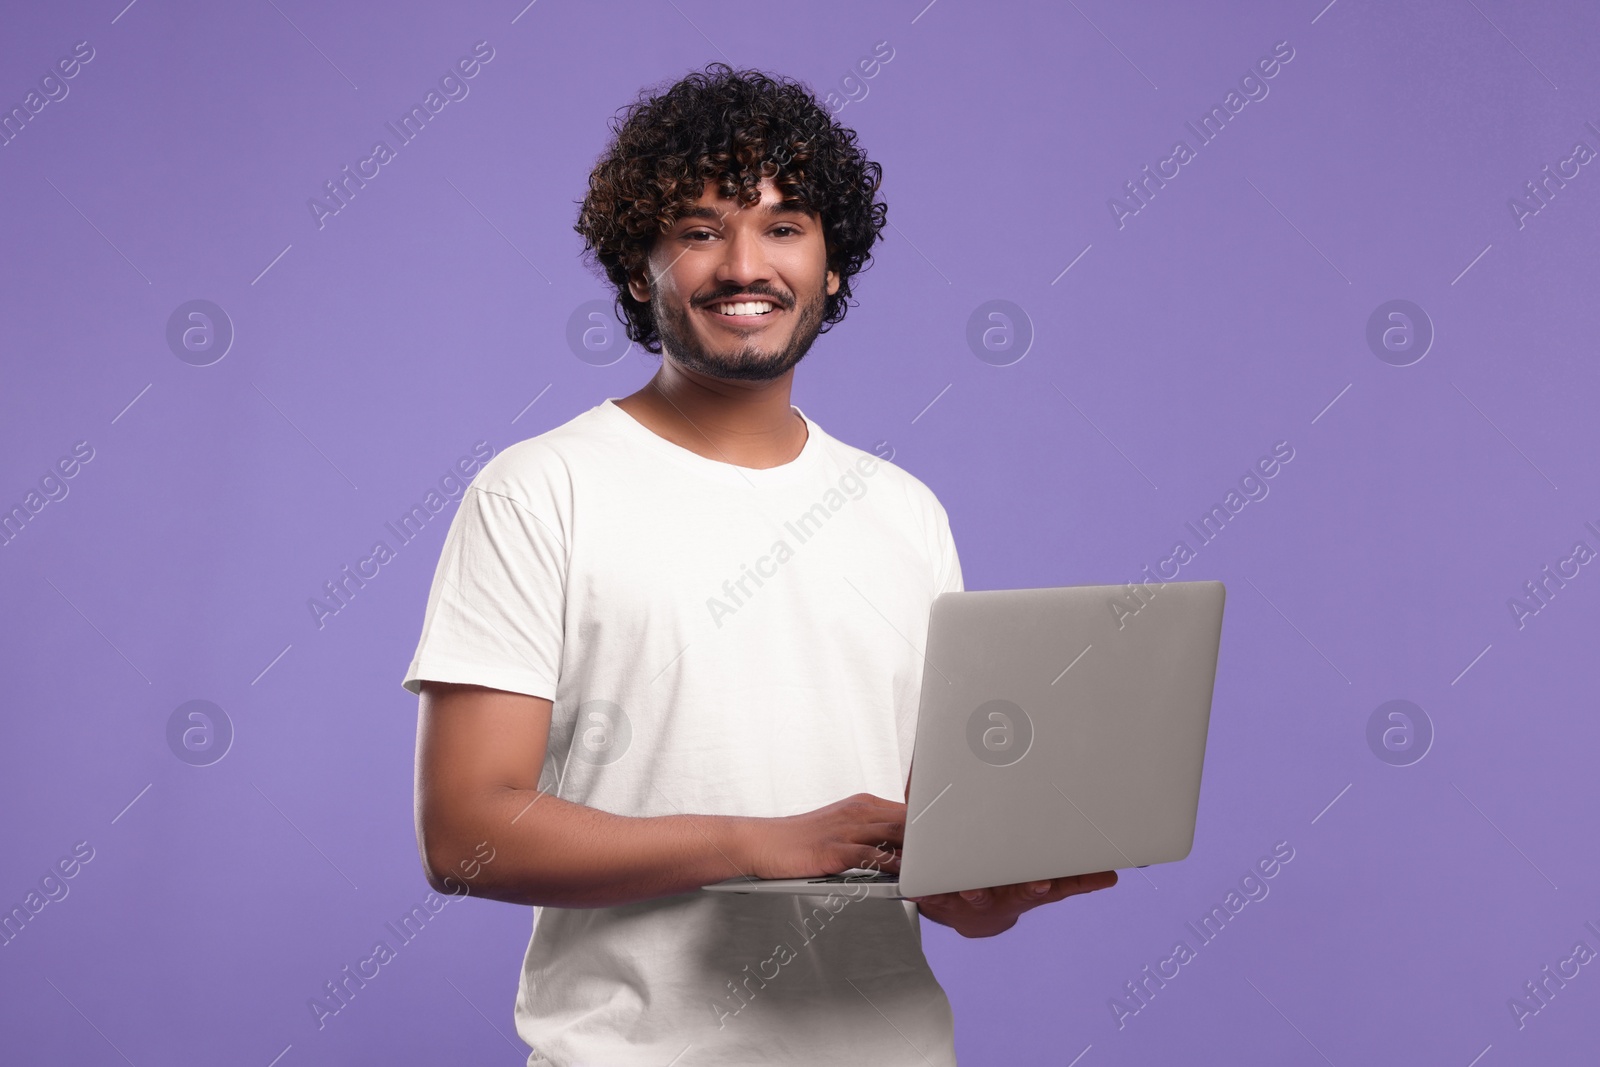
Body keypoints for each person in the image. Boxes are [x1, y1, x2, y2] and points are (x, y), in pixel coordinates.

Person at [402, 62, 1116, 1067]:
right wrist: (753, 841)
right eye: (699, 230)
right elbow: (465, 831)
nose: (746, 264)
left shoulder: (904, 511)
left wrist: (983, 891)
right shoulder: (539, 490)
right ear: (636, 267)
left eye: (783, 227)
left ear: (832, 266)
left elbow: (922, 849)